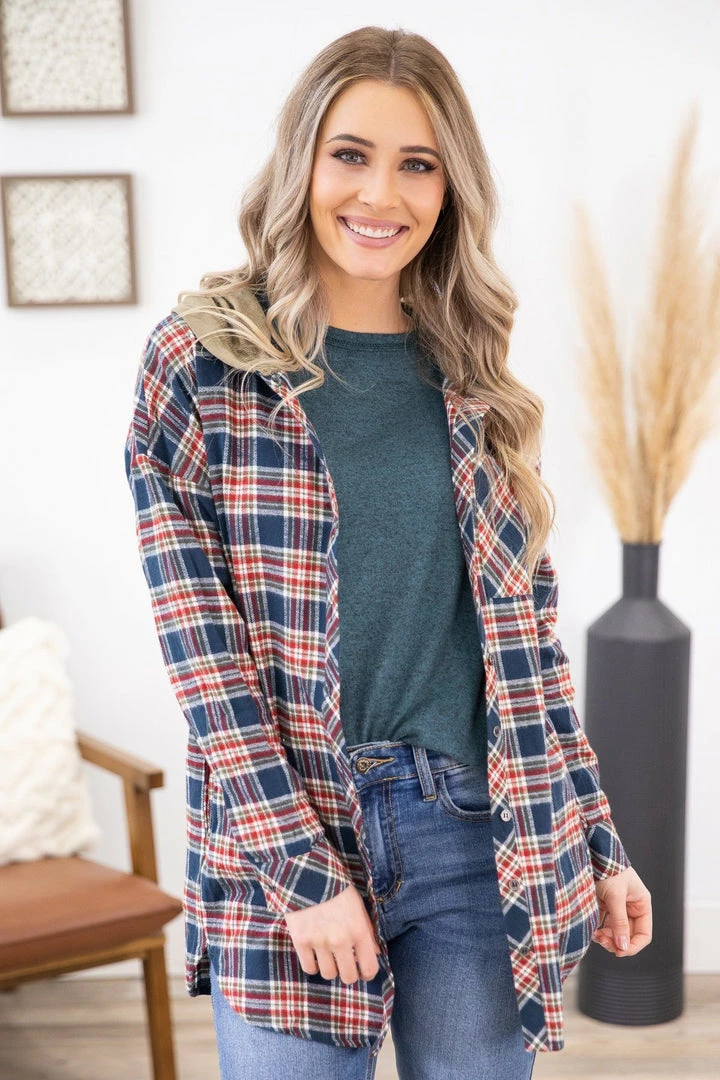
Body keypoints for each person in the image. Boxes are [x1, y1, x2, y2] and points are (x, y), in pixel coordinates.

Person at [124, 24, 652, 1080]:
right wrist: (299, 867)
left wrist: (599, 838)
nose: (382, 194)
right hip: (285, 830)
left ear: (451, 189)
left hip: (476, 829)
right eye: (351, 155)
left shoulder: (473, 372)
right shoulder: (202, 362)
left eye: (419, 165)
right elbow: (204, 653)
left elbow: (526, 648)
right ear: (302, 162)